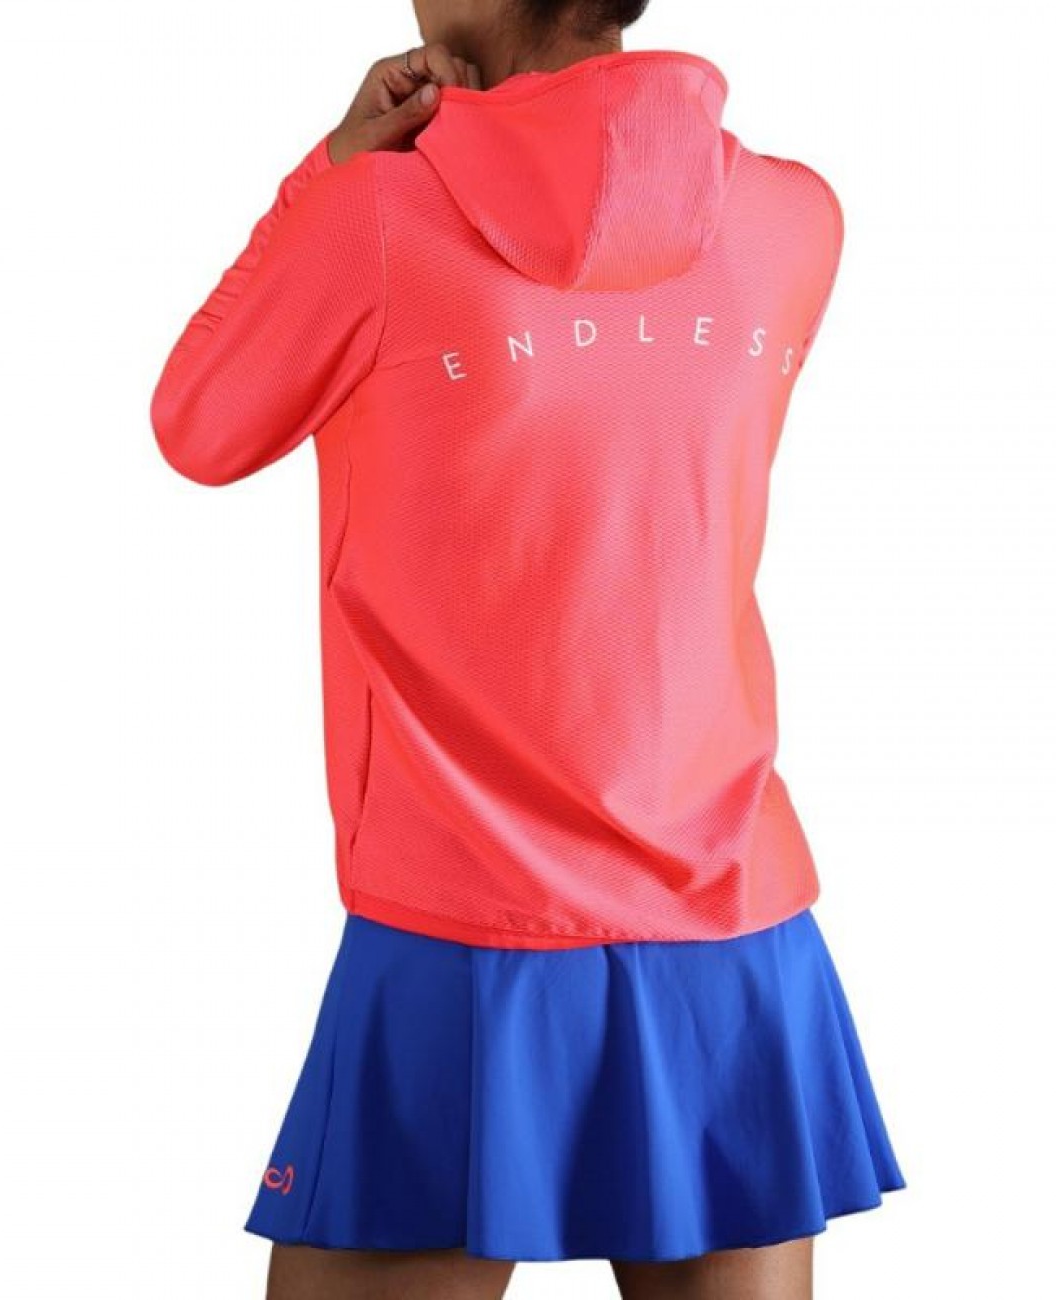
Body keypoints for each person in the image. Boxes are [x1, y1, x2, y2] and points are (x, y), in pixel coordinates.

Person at [149, 0, 906, 1294]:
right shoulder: (796, 220)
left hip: (460, 922)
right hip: (727, 923)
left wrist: (329, 170)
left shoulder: (375, 219)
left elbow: (199, 425)